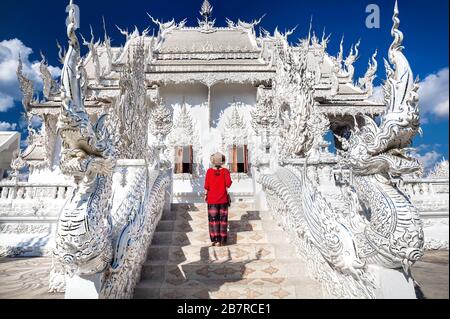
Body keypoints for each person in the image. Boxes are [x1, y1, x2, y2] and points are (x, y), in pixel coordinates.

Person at [204, 152, 232, 247]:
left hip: (212, 200)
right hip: (223, 199)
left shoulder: (209, 171)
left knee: (213, 220)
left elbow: (207, 186)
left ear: (213, 161)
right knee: (223, 220)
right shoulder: (225, 171)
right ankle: (222, 241)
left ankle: (215, 240)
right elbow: (228, 184)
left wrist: (205, 195)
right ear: (222, 161)